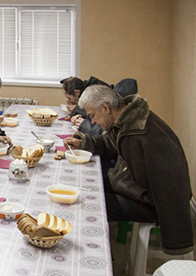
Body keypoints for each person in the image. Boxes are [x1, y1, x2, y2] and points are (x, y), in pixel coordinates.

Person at [64, 85, 193, 255]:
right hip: (131, 186)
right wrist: (84, 143)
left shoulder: (146, 135)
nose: (92, 121)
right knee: (81, 189)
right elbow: (112, 144)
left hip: (147, 203)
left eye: (93, 116)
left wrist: (177, 242)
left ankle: (90, 257)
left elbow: (170, 187)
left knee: (88, 206)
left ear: (105, 107)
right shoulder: (126, 119)